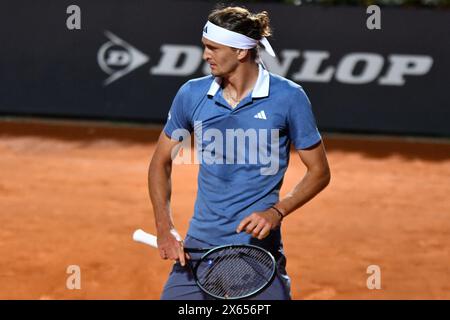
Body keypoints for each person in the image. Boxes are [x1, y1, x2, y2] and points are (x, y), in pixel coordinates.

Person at [148, 6, 330, 300]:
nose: (205, 55)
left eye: (213, 48)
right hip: (197, 248)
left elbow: (320, 171)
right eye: (205, 47)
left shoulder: (288, 97)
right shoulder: (192, 94)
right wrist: (164, 227)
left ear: (241, 52)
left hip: (255, 254)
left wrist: (277, 211)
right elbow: (160, 162)